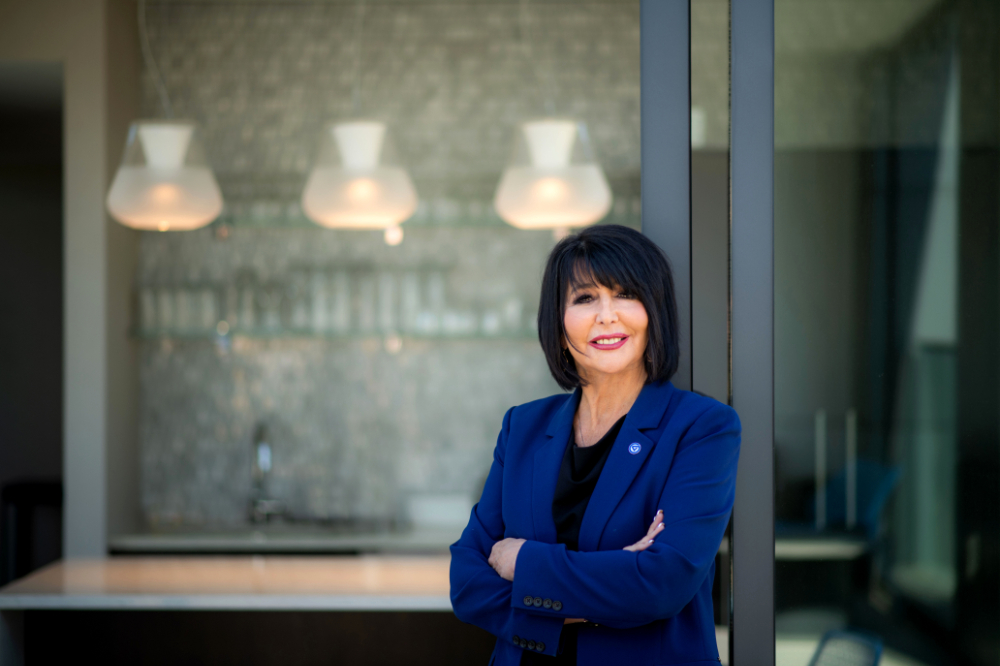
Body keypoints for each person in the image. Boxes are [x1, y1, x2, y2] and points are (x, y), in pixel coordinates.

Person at [450, 224, 741, 665]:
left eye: (626, 294)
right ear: (558, 319)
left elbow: (661, 583)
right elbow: (468, 581)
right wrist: (605, 586)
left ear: (654, 310)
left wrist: (525, 562)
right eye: (585, 298)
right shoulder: (524, 426)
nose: (607, 315)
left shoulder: (702, 428)